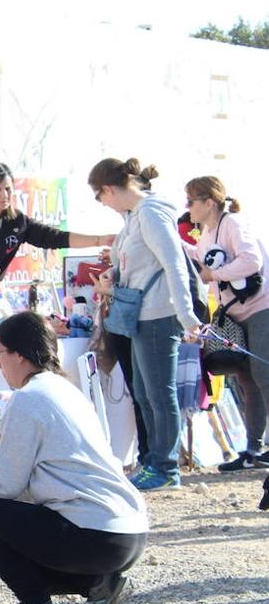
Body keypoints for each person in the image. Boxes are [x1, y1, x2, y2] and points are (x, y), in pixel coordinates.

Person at [0, 312, 148, 604]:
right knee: (23, 521)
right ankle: (98, 587)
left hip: (94, 533)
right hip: (128, 532)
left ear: (19, 355)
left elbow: (5, 486)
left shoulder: (28, 399)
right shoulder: (66, 389)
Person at [90, 158, 201, 491]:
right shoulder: (136, 216)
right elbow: (139, 263)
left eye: (100, 197)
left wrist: (187, 316)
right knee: (144, 391)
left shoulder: (151, 213)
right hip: (142, 314)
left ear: (109, 189)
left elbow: (174, 265)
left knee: (158, 392)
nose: (103, 204)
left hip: (159, 315)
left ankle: (166, 467)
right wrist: (115, 275)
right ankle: (155, 461)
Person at [0, 162, 113, 303]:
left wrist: (100, 240)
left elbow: (54, 237)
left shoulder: (18, 221)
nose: (4, 195)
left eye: (8, 189)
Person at [187, 175, 269, 471]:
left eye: (191, 201)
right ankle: (253, 451)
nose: (188, 207)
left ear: (209, 202)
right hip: (236, 312)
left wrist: (213, 276)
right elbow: (199, 260)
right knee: (246, 379)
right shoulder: (207, 234)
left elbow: (251, 261)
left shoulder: (233, 223)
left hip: (262, 306)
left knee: (263, 373)